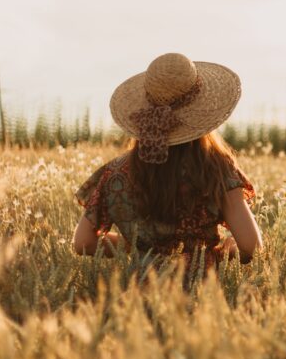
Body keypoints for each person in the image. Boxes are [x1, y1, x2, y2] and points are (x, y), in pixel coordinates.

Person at [72, 53, 261, 273]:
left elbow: (83, 243)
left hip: (136, 299)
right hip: (204, 300)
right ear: (201, 115)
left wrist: (136, 248)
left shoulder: (113, 173)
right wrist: (217, 252)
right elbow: (251, 247)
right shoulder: (217, 169)